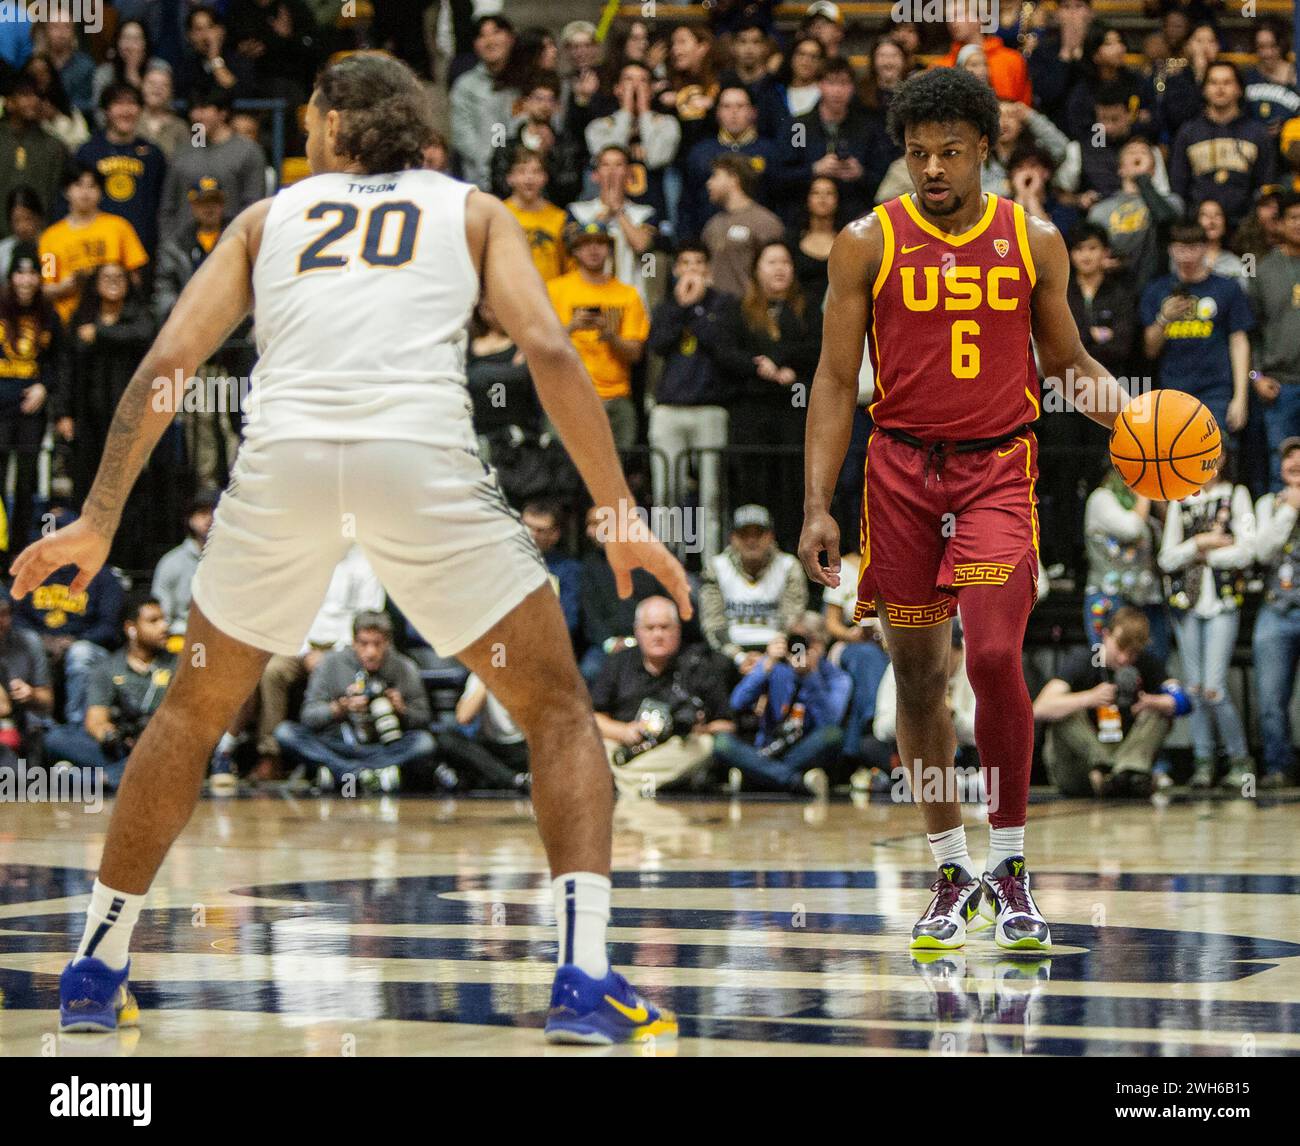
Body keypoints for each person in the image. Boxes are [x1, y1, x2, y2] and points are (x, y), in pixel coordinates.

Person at [18, 52, 690, 1044]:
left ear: (328, 129)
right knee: (554, 707)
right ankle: (583, 978)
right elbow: (550, 350)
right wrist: (621, 513)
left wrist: (98, 517)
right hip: (416, 458)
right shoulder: (471, 209)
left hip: (282, 461)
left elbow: (168, 362)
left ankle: (94, 966)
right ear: (419, 132)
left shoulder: (265, 218)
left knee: (192, 711)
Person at [799, 66, 1138, 953]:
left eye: (950, 152)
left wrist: (1136, 418)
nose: (933, 169)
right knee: (916, 678)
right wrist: (815, 505)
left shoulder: (1036, 240)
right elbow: (835, 380)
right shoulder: (866, 243)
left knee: (990, 654)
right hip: (898, 473)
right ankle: (951, 871)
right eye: (917, 155)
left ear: (988, 147)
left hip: (996, 469)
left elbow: (1066, 365)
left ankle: (1013, 866)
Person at [1158, 453, 1257, 791]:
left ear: (1224, 459)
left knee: (1214, 687)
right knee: (1195, 688)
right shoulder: (1179, 501)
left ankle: (1240, 760)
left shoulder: (1236, 494)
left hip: (1222, 601)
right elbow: (1166, 558)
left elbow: (1247, 550)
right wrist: (1201, 543)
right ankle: (1204, 762)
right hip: (1186, 603)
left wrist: (1205, 555)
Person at [647, 242, 738, 561]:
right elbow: (658, 344)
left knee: (711, 494)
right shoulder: (665, 306)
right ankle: (669, 562)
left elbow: (723, 348)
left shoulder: (725, 304)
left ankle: (712, 563)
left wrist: (697, 308)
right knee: (666, 493)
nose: (692, 270)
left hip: (709, 408)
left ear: (709, 272)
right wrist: (682, 307)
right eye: (685, 264)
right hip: (669, 408)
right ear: (675, 272)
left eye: (699, 263)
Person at [274, 610, 432, 792]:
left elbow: (423, 719)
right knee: (285, 733)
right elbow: (308, 716)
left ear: (388, 643)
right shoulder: (330, 663)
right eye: (364, 644)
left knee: (424, 743)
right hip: (338, 744)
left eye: (377, 644)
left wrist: (401, 709)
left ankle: (342, 773)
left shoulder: (405, 667)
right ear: (354, 642)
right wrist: (338, 708)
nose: (370, 652)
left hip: (382, 746)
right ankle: (363, 774)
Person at [591, 596, 733, 799]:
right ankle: (637, 783)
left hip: (671, 749)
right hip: (622, 746)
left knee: (705, 746)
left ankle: (624, 782)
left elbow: (726, 724)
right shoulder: (617, 663)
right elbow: (594, 717)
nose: (658, 635)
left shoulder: (698, 665)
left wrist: (701, 729)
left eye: (665, 627)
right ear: (637, 631)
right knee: (592, 745)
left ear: (678, 630)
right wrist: (623, 731)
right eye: (650, 628)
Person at [1033, 607, 1184, 798]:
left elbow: (1183, 701)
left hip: (1124, 755)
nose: (1124, 659)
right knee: (1063, 711)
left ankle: (1123, 771)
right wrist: (1088, 698)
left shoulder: (1146, 663)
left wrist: (1152, 702)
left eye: (1132, 653)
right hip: (1082, 766)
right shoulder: (1084, 660)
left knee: (1160, 710)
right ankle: (1109, 771)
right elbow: (1038, 709)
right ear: (1106, 635)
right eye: (1120, 648)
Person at [45, 595, 175, 793]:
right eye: (153, 621)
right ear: (131, 628)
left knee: (172, 753)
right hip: (124, 748)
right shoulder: (108, 667)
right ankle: (123, 775)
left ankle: (95, 779)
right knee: (55, 738)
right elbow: (95, 720)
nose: (164, 626)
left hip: (165, 746)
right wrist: (112, 735)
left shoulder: (178, 664)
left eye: (164, 619)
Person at [714, 613, 849, 797]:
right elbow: (737, 702)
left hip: (803, 751)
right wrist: (766, 664)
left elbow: (828, 722)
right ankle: (794, 781)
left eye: (805, 641)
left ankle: (756, 776)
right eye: (794, 640)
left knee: (834, 735)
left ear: (820, 644)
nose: (798, 647)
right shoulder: (775, 667)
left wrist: (810, 677)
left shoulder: (837, 678)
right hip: (768, 747)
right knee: (722, 743)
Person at [1140, 221, 1253, 439]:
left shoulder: (1227, 287)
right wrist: (1164, 318)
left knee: (1214, 458)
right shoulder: (1157, 290)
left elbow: (1239, 342)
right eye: (1181, 249)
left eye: (1193, 248)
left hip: (1217, 390)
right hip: (1172, 390)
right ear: (1171, 250)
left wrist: (1240, 398)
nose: (1187, 256)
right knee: (1173, 458)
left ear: (1205, 247)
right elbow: (1150, 350)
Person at [546, 222, 649, 451]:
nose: (593, 250)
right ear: (575, 250)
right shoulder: (555, 290)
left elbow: (635, 353)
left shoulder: (628, 295)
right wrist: (571, 327)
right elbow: (542, 347)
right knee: (567, 472)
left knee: (616, 472)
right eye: (585, 244)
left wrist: (610, 335)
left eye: (600, 243)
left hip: (616, 396)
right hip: (568, 396)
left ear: (610, 249)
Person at [0, 242, 67, 568]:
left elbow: (58, 361)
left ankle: (18, 547)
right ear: (10, 277)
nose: (26, 280)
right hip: (1, 407)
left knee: (26, 481)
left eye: (32, 274)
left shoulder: (47, 314)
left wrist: (44, 386)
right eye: (20, 273)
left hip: (30, 409)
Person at [1168, 62, 1276, 232]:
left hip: (1245, 227)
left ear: (1239, 90)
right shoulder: (1188, 132)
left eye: (1227, 82)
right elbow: (1178, 184)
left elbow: (1265, 184)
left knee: (1250, 260)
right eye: (1213, 82)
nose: (1220, 88)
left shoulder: (1258, 133)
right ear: (1203, 89)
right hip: (1199, 228)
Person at [700, 503, 809, 671]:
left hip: (778, 645)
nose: (751, 541)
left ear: (771, 536)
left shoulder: (788, 566)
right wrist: (739, 657)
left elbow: (792, 618)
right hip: (730, 650)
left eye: (759, 533)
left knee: (801, 659)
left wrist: (772, 655)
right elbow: (713, 625)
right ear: (733, 538)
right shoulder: (717, 567)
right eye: (744, 534)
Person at [39, 164, 149, 326]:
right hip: (68, 322)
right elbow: (47, 289)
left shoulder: (119, 227)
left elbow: (135, 277)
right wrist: (68, 285)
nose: (85, 192)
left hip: (115, 322)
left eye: (92, 186)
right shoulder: (50, 237)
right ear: (66, 191)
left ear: (101, 192)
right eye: (78, 185)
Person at [1252, 437, 1300, 788]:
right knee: (1270, 697)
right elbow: (1262, 551)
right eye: (1289, 459)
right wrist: (1290, 510)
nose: (1295, 464)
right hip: (1276, 609)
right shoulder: (1269, 503)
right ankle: (1278, 767)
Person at [159, 87, 267, 242]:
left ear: (223, 113)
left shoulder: (248, 151)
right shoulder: (181, 152)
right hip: (184, 252)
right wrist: (169, 246)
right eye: (193, 109)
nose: (196, 115)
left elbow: (253, 207)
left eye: (203, 108)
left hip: (229, 248)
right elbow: (167, 208)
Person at [77, 83, 169, 259]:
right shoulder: (88, 152)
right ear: (106, 111)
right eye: (119, 104)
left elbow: (162, 205)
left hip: (142, 249)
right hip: (97, 247)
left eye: (132, 104)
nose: (126, 111)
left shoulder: (153, 155)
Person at [1082, 467, 1165, 657]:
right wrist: (1145, 492)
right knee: (1106, 663)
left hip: (1146, 598)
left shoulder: (1144, 502)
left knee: (1153, 667)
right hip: (1108, 597)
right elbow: (1132, 529)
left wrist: (1160, 499)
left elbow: (1167, 536)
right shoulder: (1101, 498)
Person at [1248, 193, 1300, 491]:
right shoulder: (1264, 270)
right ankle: (1284, 537)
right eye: (1293, 218)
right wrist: (1256, 376)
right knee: (1281, 467)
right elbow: (1250, 332)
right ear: (1278, 224)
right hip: (1279, 386)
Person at [1086, 135, 1182, 293]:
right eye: (1131, 152)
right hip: (1116, 287)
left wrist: (1142, 180)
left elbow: (1166, 220)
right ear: (1121, 169)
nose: (1137, 155)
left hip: (1157, 284)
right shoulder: (1100, 210)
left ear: (1153, 168)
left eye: (1144, 153)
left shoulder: (1171, 202)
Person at [566, 145, 658, 307]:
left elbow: (642, 245)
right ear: (596, 174)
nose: (611, 171)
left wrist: (618, 212)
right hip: (587, 299)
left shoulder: (644, 213)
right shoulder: (578, 211)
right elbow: (573, 245)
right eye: (606, 165)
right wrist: (602, 217)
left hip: (631, 298)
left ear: (629, 173)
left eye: (618, 165)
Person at [701, 155, 785, 300]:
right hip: (715, 313)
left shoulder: (765, 223)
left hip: (752, 311)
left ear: (734, 178)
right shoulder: (711, 225)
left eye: (715, 176)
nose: (709, 183)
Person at [449, 15, 518, 191]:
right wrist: (493, 166)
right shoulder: (465, 86)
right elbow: (463, 136)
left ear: (510, 38)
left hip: (526, 182)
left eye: (496, 32)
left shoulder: (525, 80)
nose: (489, 41)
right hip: (479, 183)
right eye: (482, 36)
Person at [0, 74, 70, 236]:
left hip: (44, 240)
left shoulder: (54, 146)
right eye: (25, 95)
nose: (33, 101)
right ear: (9, 102)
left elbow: (59, 196)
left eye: (37, 96)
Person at [150, 492, 217, 639]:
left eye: (215, 512)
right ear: (190, 519)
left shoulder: (233, 559)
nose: (210, 518)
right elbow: (162, 614)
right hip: (182, 635)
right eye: (203, 513)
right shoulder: (172, 562)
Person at [501, 148, 569, 283]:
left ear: (545, 178)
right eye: (521, 171)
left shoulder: (560, 217)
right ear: (510, 178)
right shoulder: (498, 213)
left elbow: (568, 266)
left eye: (536, 171)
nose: (529, 178)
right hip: (509, 295)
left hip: (549, 297)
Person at [522, 500, 581, 640]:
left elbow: (569, 619)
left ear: (555, 534)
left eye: (540, 530)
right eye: (527, 526)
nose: (531, 535)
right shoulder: (501, 561)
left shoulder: (568, 570)